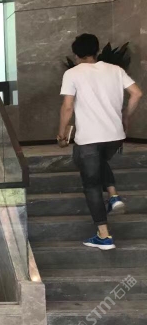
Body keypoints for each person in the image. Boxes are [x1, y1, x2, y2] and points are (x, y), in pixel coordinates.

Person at [58, 33, 143, 250]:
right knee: (97, 161)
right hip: (114, 136)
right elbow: (136, 94)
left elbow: (68, 106)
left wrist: (61, 133)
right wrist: (126, 117)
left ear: (76, 54)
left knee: (92, 184)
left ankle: (104, 236)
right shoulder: (115, 70)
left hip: (89, 138)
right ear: (96, 51)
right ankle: (113, 196)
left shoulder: (72, 73)